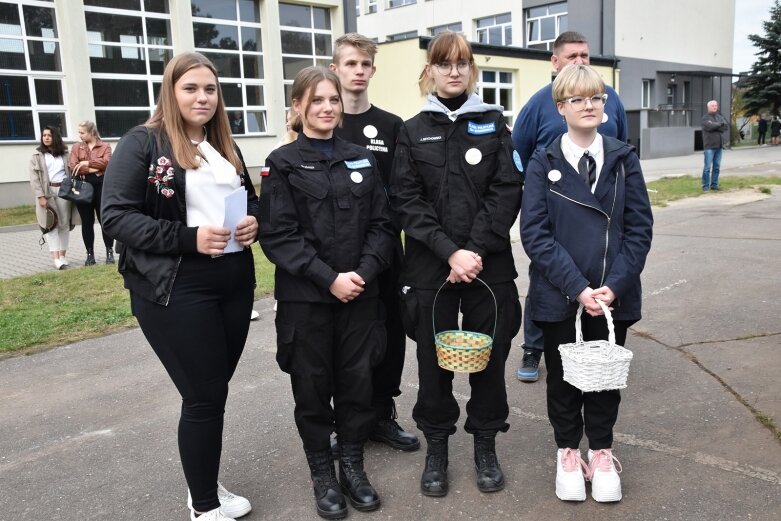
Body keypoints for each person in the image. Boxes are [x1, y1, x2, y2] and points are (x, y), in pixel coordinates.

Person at [101, 52, 260, 521]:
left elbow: (248, 198)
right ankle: (205, 506)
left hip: (233, 284)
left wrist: (256, 222)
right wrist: (187, 239)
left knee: (214, 391)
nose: (202, 97)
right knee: (204, 395)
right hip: (177, 287)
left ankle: (203, 485)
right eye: (190, 88)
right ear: (171, 91)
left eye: (210, 89)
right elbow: (115, 216)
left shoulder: (223, 144)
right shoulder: (143, 142)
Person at [258, 66, 395, 519]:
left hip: (360, 295)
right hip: (308, 300)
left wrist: (362, 273)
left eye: (332, 100)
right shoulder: (282, 162)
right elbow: (278, 236)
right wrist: (328, 277)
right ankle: (322, 471)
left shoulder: (362, 157)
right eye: (315, 100)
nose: (326, 108)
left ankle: (353, 465)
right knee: (312, 388)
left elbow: (382, 224)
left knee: (358, 383)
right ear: (297, 107)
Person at [391, 32, 523, 497]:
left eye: (462, 63)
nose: (453, 71)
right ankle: (438, 449)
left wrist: (475, 252)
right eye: (444, 64)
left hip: (489, 267)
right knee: (433, 364)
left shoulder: (493, 122)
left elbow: (506, 190)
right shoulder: (411, 130)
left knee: (490, 360)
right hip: (431, 269)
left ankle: (485, 445)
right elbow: (406, 200)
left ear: (472, 70)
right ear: (429, 70)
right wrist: (450, 251)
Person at [520, 64, 653, 503]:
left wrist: (613, 286)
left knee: (604, 380)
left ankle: (600, 451)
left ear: (606, 105)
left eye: (596, 98)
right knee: (562, 380)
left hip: (613, 295)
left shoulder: (623, 157)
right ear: (561, 108)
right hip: (562, 293)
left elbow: (639, 229)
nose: (589, 106)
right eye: (578, 99)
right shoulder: (545, 161)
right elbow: (535, 233)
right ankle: (566, 453)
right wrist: (578, 288)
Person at [512, 31, 628, 384]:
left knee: (600, 270)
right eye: (572, 55)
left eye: (585, 55)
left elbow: (619, 145)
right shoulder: (538, 103)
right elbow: (518, 149)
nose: (579, 61)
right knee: (547, 278)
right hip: (555, 206)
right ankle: (534, 346)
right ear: (555, 61)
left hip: (596, 204)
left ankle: (597, 345)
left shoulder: (611, 101)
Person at [330, 33, 420, 452]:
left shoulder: (391, 126)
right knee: (344, 339)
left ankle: (383, 415)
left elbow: (404, 190)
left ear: (373, 70)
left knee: (390, 332)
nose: (358, 71)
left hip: (386, 252)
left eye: (365, 64)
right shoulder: (323, 119)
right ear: (336, 69)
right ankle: (347, 420)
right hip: (338, 257)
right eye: (350, 64)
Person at [29, 126, 80, 269]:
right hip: (47, 192)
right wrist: (40, 196)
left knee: (64, 224)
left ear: (55, 137)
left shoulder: (65, 154)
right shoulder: (37, 157)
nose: (46, 138)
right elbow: (34, 179)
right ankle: (56, 258)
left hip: (63, 190)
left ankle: (63, 255)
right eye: (44, 135)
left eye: (49, 135)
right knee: (51, 224)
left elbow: (72, 171)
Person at [67, 120, 114, 265]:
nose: (80, 135)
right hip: (83, 186)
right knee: (86, 221)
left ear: (92, 132)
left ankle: (109, 252)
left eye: (82, 132)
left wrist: (86, 163)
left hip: (101, 186)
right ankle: (89, 254)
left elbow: (107, 163)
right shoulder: (76, 147)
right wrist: (96, 168)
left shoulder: (105, 146)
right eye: (79, 132)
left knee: (104, 220)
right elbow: (73, 166)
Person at [701, 100, 728, 191]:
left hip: (719, 146)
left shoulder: (719, 117)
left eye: (716, 105)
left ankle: (714, 185)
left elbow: (726, 127)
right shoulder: (705, 118)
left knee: (716, 167)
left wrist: (716, 125)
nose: (715, 107)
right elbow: (709, 127)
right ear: (708, 107)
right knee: (707, 168)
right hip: (709, 146)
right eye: (713, 105)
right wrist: (719, 125)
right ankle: (705, 186)